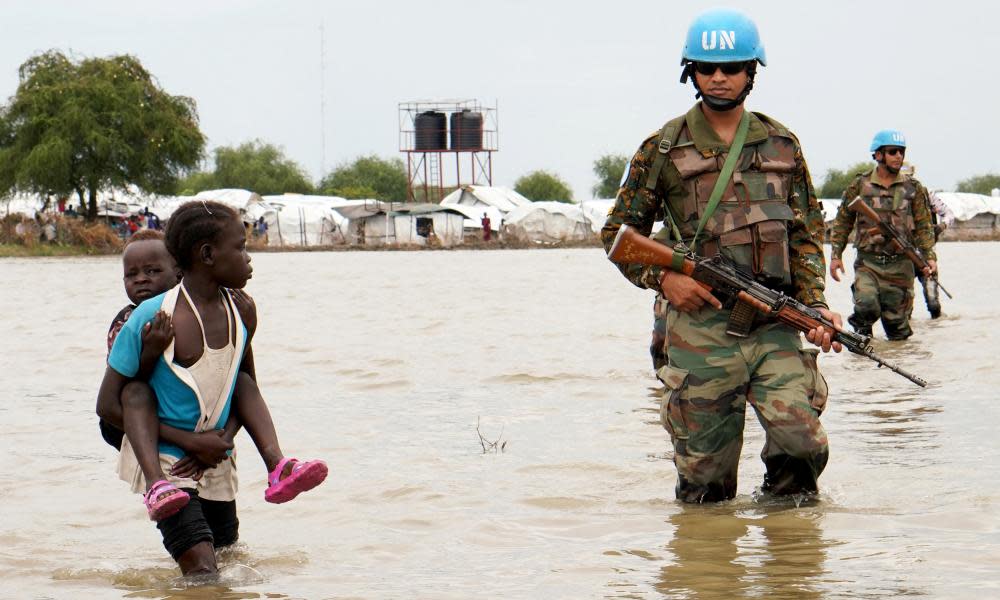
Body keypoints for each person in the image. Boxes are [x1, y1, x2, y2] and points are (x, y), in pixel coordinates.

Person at [601, 8, 840, 503]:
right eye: (707, 67)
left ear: (752, 71)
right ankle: (710, 576)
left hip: (774, 321)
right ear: (691, 72)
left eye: (731, 67)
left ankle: (788, 556)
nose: (719, 77)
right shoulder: (662, 148)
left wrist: (814, 303)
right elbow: (617, 235)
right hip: (702, 327)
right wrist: (664, 280)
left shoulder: (782, 144)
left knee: (802, 446)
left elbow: (806, 234)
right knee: (705, 483)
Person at [96, 201, 327, 575]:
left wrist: (220, 442)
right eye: (240, 247)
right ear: (206, 255)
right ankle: (157, 488)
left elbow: (243, 385)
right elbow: (108, 406)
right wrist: (191, 443)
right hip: (169, 456)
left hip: (215, 453)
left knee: (229, 558)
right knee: (203, 571)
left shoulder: (242, 311)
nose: (248, 258)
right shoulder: (147, 318)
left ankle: (279, 466)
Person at [828, 130, 937, 339]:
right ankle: (861, 354)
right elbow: (842, 222)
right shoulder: (859, 185)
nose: (898, 156)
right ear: (878, 155)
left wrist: (930, 257)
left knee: (897, 326)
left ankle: (898, 364)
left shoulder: (913, 188)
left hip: (901, 264)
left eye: (901, 152)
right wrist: (835, 256)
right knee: (865, 306)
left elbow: (924, 226)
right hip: (868, 263)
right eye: (892, 151)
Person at [917, 190, 954, 318]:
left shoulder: (926, 195)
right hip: (900, 258)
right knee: (902, 307)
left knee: (933, 304)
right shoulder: (891, 196)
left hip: (927, 255)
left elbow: (949, 214)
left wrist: (941, 227)